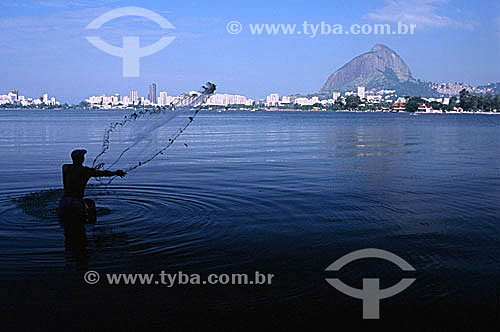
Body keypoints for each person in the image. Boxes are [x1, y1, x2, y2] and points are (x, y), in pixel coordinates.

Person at [58, 149, 126, 223]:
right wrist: (116, 173)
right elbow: (103, 173)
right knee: (80, 226)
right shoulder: (86, 171)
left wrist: (90, 170)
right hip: (77, 202)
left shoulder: (65, 168)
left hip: (64, 201)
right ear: (82, 159)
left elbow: (76, 170)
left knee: (66, 226)